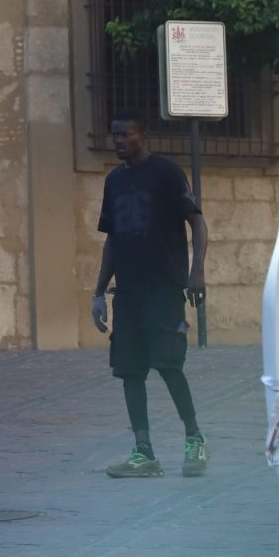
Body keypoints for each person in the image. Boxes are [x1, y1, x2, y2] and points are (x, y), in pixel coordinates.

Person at [92, 111, 210, 479]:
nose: (119, 140)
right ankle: (144, 453)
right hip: (127, 291)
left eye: (126, 134)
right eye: (115, 134)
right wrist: (98, 293)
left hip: (164, 288)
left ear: (143, 136)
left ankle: (194, 439)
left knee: (169, 365)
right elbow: (112, 238)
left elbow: (196, 221)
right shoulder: (114, 181)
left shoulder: (166, 173)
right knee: (130, 371)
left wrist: (197, 270)